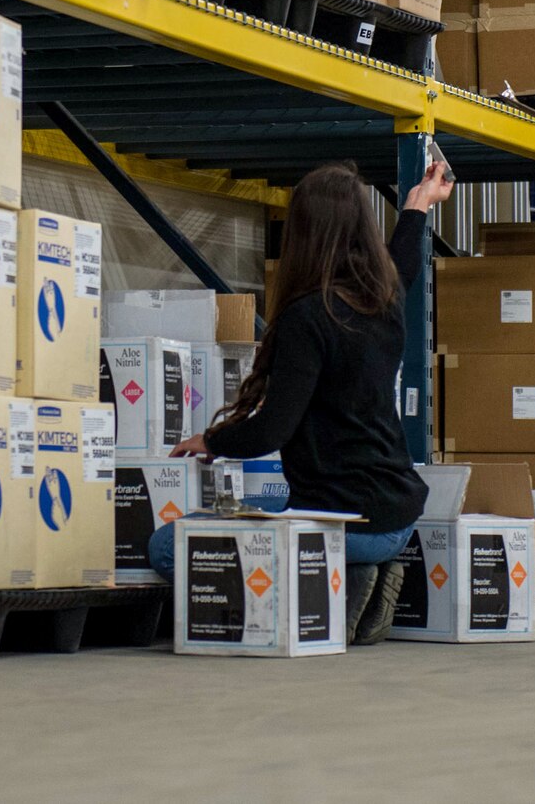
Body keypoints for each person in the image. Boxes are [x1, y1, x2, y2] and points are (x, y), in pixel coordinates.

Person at [152, 158, 456, 645]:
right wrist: (420, 202)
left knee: (167, 544)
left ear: (303, 234)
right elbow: (402, 261)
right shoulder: (386, 298)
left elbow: (274, 428)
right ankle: (358, 575)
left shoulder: (309, 316)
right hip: (397, 517)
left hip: (343, 523)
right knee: (266, 510)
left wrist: (211, 440)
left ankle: (335, 575)